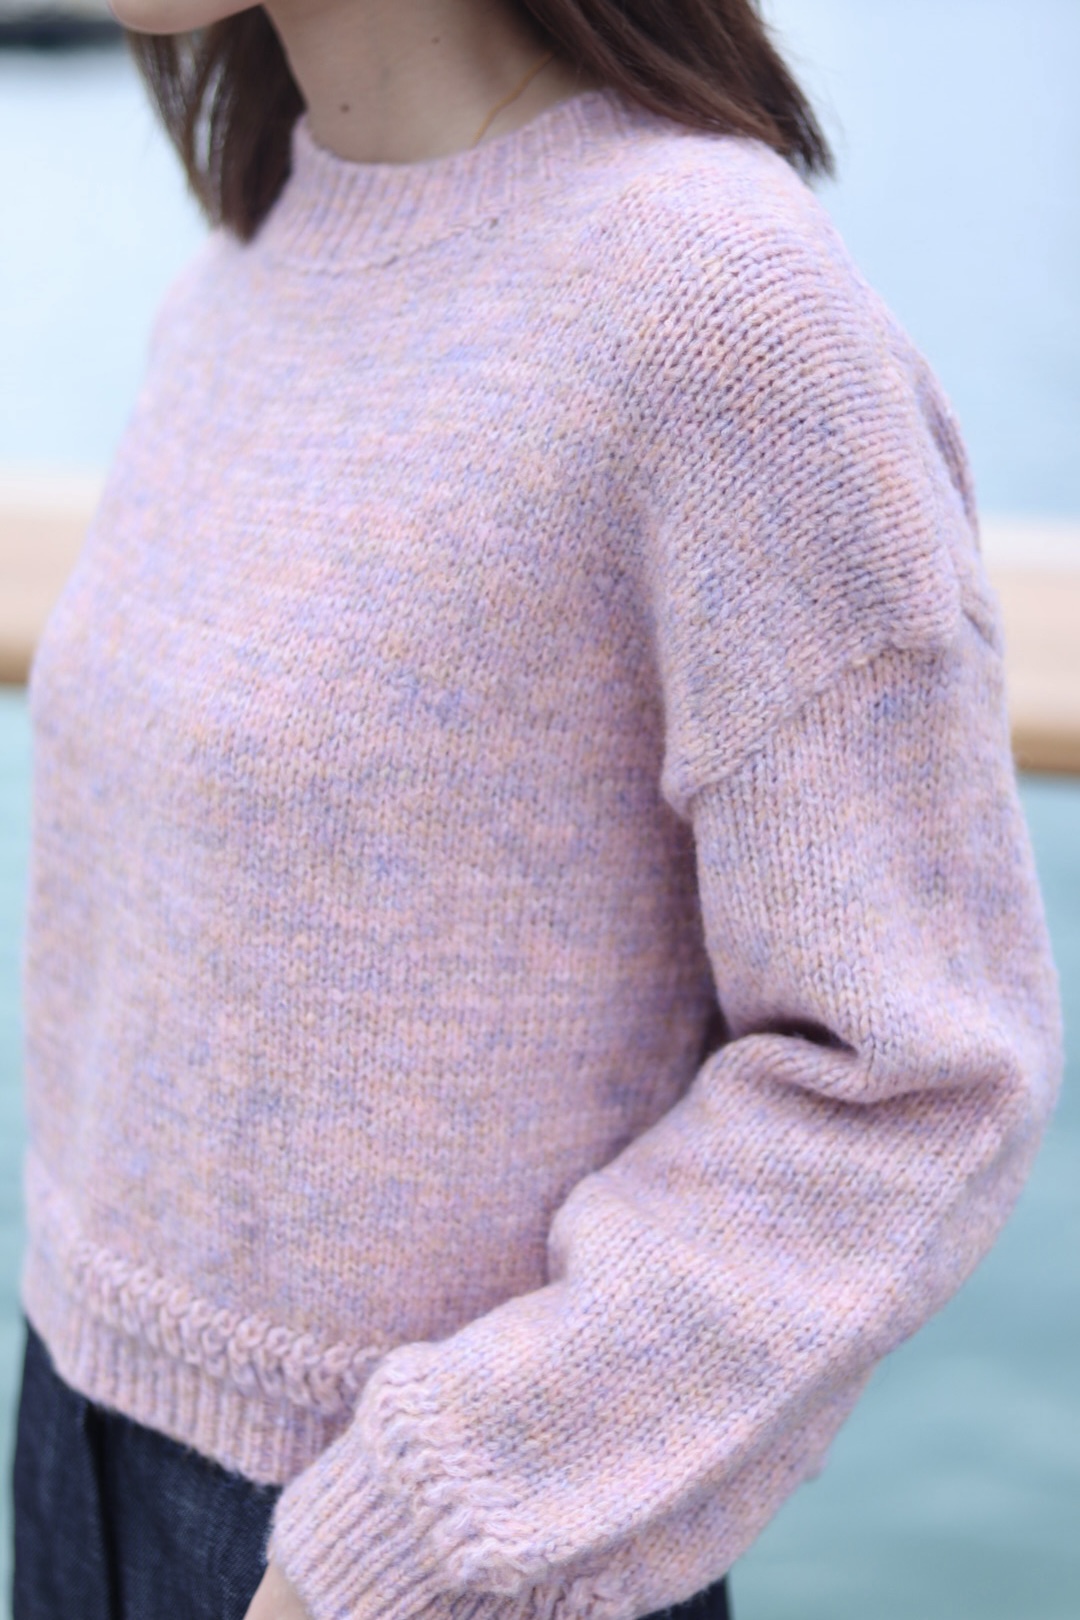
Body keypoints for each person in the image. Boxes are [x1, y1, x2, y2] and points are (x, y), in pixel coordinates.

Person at [10, 0, 1065, 1615]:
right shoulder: (239, 276)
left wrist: (436, 1518)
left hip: (432, 1550)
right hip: (78, 1444)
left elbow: (920, 1071)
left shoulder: (718, 309)